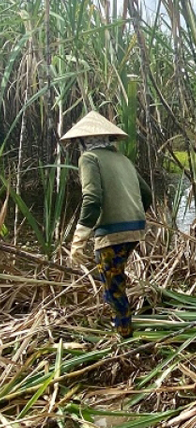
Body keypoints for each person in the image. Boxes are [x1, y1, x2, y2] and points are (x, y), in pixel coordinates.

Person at [61, 111, 152, 338]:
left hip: (112, 232)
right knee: (115, 274)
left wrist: (78, 240)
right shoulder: (123, 159)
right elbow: (147, 193)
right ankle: (134, 314)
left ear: (83, 141)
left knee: (112, 286)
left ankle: (124, 334)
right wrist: (134, 215)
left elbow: (92, 199)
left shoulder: (88, 158)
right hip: (135, 227)